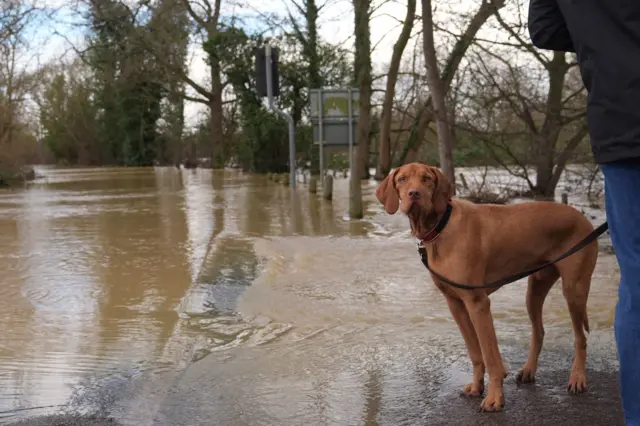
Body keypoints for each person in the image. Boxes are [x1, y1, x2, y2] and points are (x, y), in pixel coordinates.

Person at [527, 1, 640, 424]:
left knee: (638, 279)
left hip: (620, 126)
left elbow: (543, 29)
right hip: (621, 130)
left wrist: (602, 39)